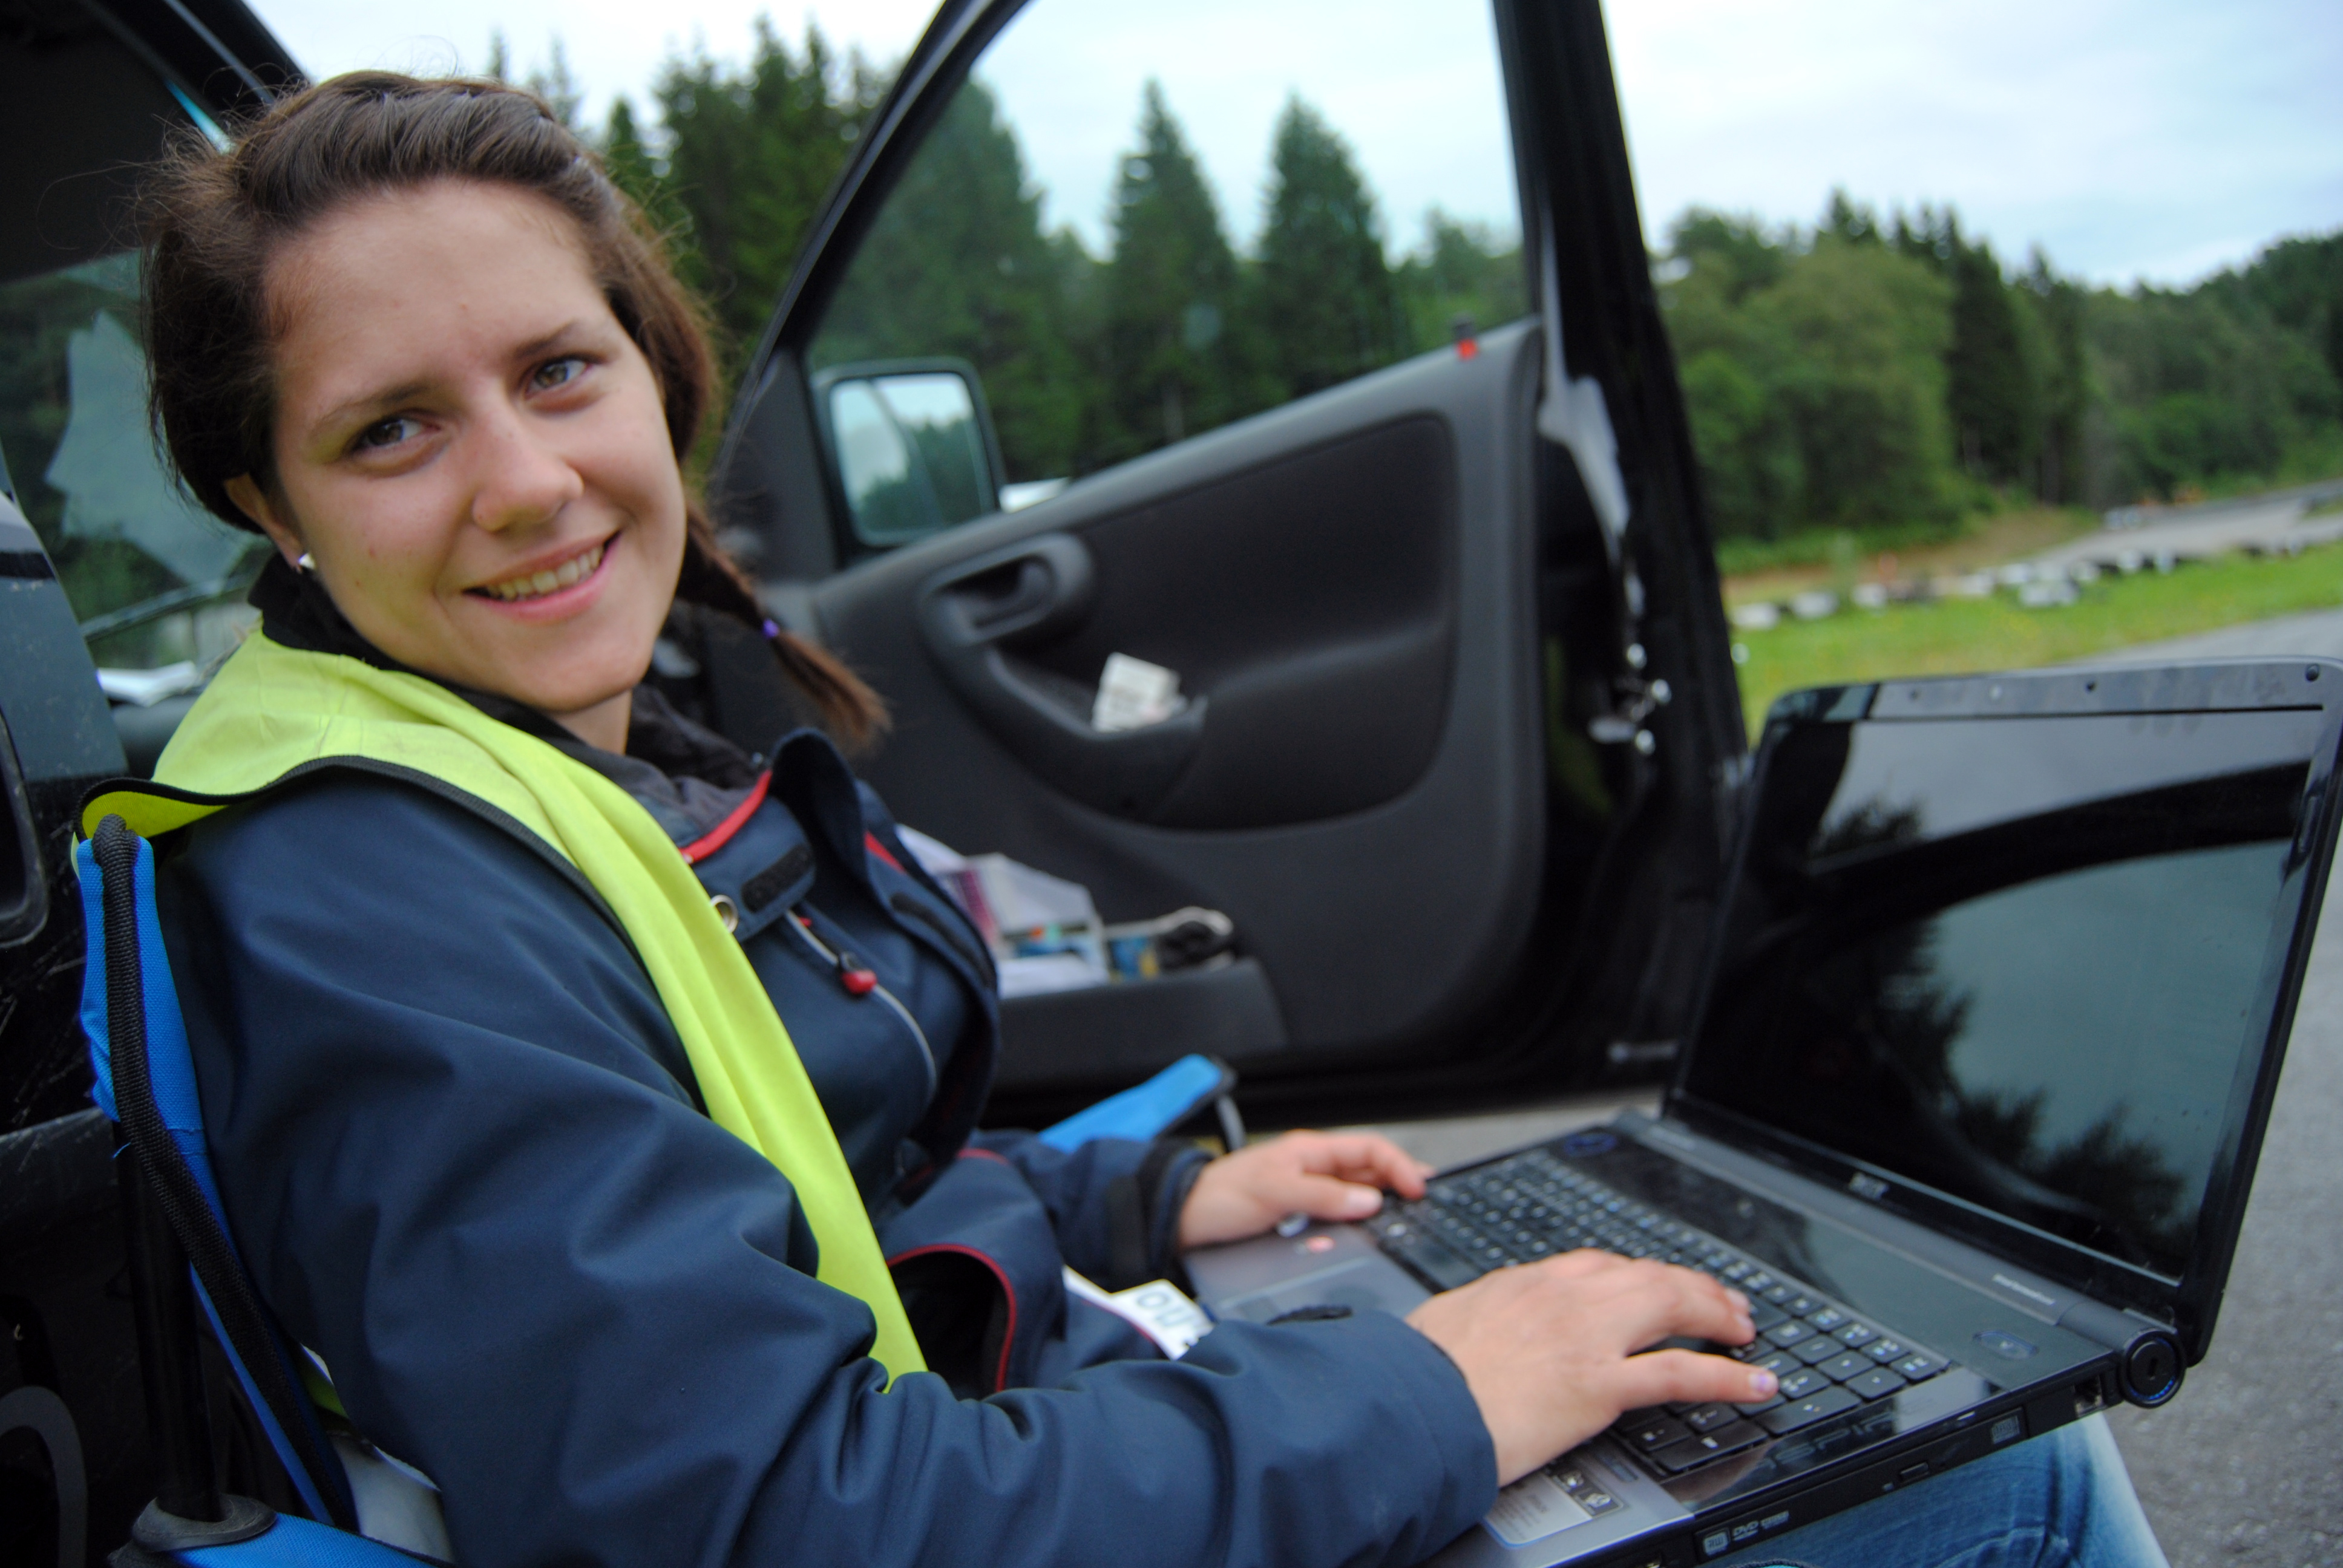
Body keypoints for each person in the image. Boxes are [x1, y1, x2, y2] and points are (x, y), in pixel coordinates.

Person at [125, 72, 2167, 1568]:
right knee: (2007, 1477)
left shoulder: (545, 756)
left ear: (655, 380)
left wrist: (1133, 1204)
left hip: (1025, 1420)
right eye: (393, 429)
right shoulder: (373, 892)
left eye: (561, 372)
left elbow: (806, 1191)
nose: (523, 481)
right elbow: (771, 1521)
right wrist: (1430, 1395)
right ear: (263, 502)